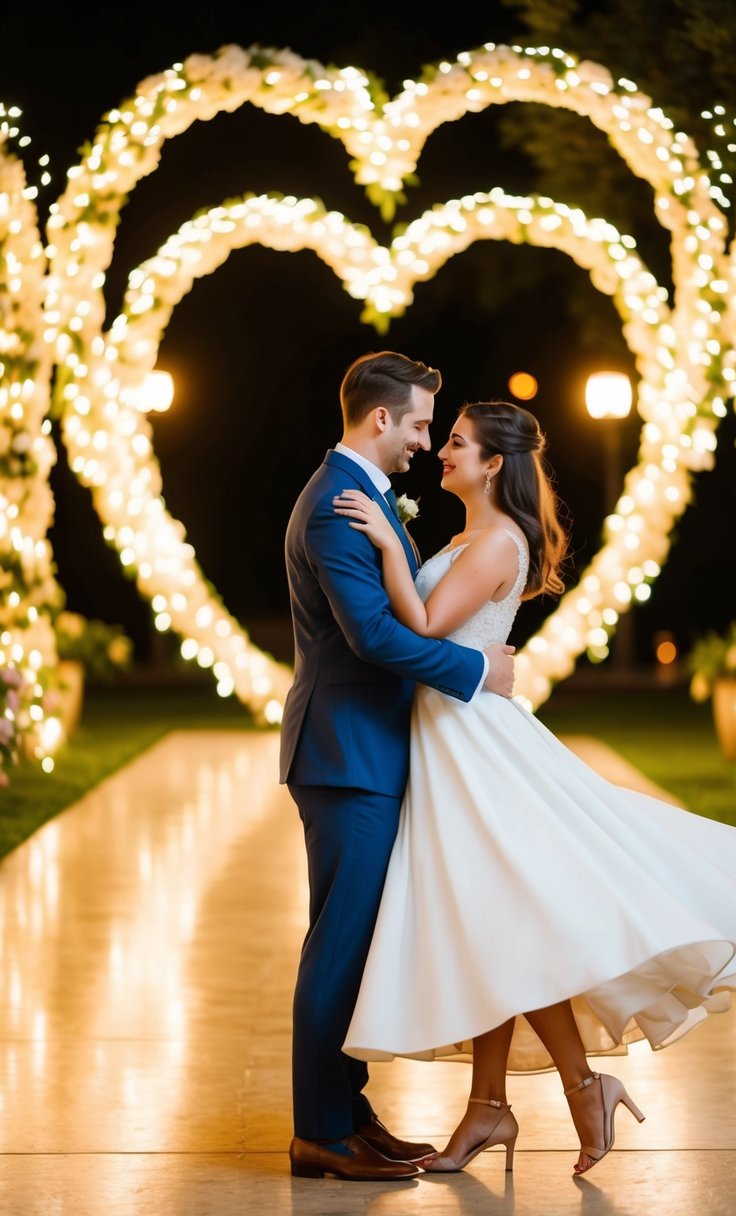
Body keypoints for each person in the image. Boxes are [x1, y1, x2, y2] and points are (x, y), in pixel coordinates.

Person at [335, 400, 736, 1177]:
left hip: (474, 749)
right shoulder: (472, 534)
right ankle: (497, 1105)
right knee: (489, 924)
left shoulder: (497, 539)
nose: (442, 453)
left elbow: (426, 626)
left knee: (502, 920)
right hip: (449, 740)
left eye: (456, 443)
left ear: (494, 463)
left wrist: (386, 551)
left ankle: (565, 1089)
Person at [280, 353, 516, 1182]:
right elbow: (373, 638)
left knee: (351, 943)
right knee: (338, 946)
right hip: (347, 752)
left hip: (364, 748)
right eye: (419, 424)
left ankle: (348, 1114)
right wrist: (478, 672)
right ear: (380, 420)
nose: (425, 441)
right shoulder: (336, 508)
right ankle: (321, 1131)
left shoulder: (364, 497)